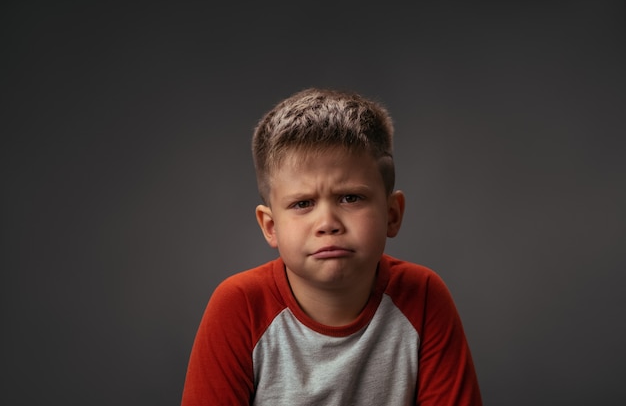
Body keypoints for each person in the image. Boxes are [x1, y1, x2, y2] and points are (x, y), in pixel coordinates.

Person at [181, 88, 482, 405]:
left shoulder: (422, 297)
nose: (327, 222)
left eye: (350, 197)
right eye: (302, 203)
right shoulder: (240, 306)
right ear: (271, 227)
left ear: (392, 215)